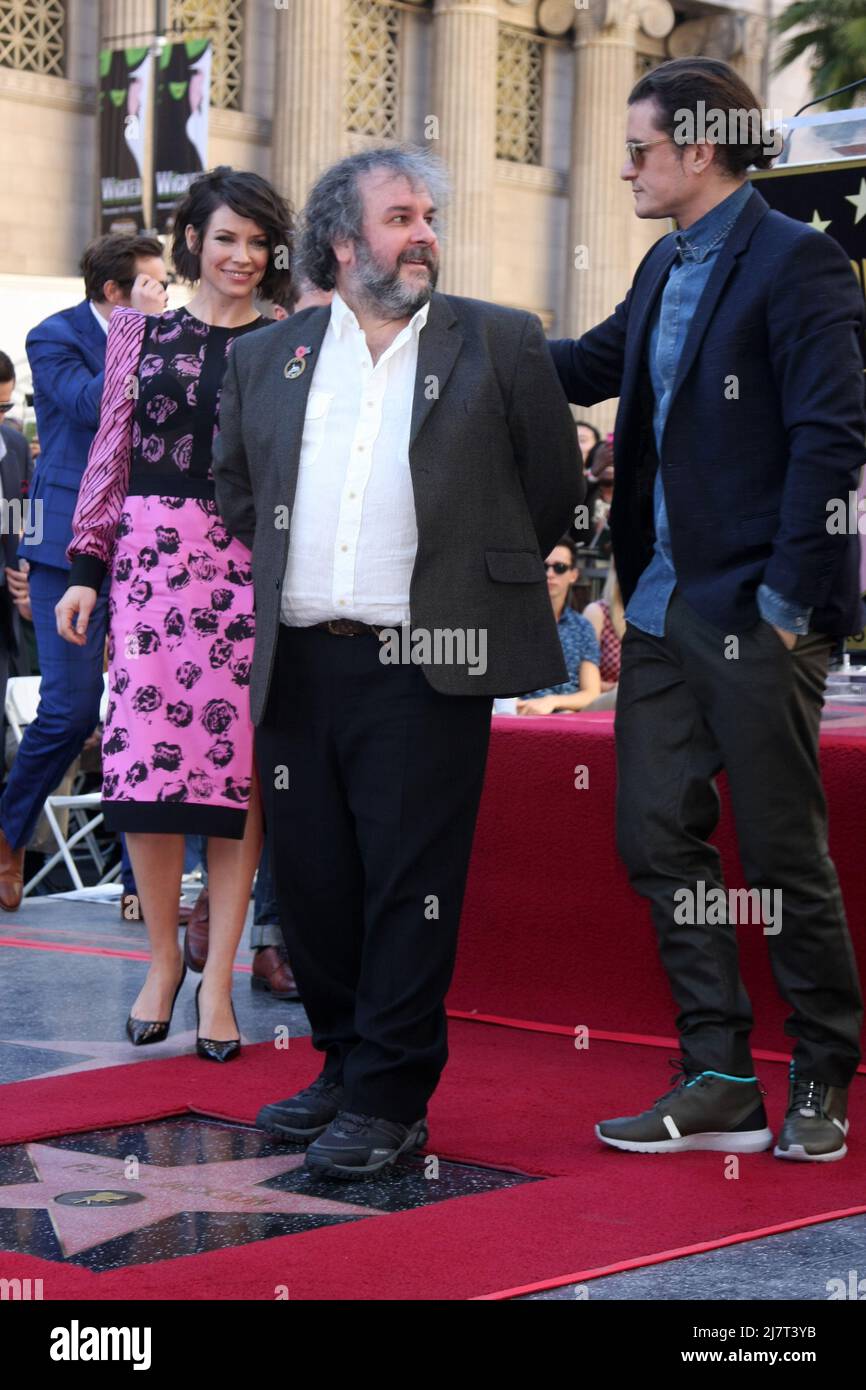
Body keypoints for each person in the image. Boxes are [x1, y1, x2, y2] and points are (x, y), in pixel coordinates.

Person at [213, 145, 580, 1178]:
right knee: (317, 885)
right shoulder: (268, 358)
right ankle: (340, 1065)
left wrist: (468, 580)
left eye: (427, 215)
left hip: (427, 665)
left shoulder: (499, 342)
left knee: (405, 887)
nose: (421, 233)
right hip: (300, 662)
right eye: (398, 217)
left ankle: (389, 1097)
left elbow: (547, 488)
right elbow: (239, 490)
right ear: (341, 240)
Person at [550, 57, 864, 1162]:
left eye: (637, 149)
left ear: (695, 148)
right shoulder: (660, 262)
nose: (626, 166)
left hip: (754, 609)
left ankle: (822, 1070)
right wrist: (445, 328)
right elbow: (584, 366)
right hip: (662, 608)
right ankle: (720, 1072)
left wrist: (784, 600)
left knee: (783, 855)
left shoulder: (798, 258)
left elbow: (832, 435)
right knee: (652, 833)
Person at [57, 167, 293, 1060]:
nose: (242, 255)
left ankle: (220, 985)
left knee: (235, 785)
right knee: (146, 782)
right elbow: (110, 452)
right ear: (192, 237)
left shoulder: (291, 340)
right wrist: (86, 568)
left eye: (259, 241)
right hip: (151, 568)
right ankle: (162, 961)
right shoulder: (137, 336)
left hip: (247, 572)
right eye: (226, 236)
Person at [0, 235, 168, 913]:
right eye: (153, 285)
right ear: (114, 293)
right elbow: (94, 406)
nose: (166, 295)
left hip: (149, 545)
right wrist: (138, 331)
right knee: (69, 713)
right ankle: (8, 833)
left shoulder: (171, 334)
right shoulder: (54, 336)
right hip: (65, 549)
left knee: (138, 716)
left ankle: (139, 886)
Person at [516, 539, 601, 715]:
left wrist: (552, 702)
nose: (550, 574)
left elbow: (591, 692)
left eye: (560, 567)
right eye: (544, 566)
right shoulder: (512, 621)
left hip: (567, 716)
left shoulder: (583, 626)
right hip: (518, 713)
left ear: (573, 575)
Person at [0, 351, 33, 719]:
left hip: (5, 601)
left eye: (5, 405)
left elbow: (27, 513)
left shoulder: (16, 446)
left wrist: (28, 564)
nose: (2, 415)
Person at [584, 564, 624, 693]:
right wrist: (613, 688)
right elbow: (580, 680)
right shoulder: (597, 612)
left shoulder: (651, 618)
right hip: (604, 699)